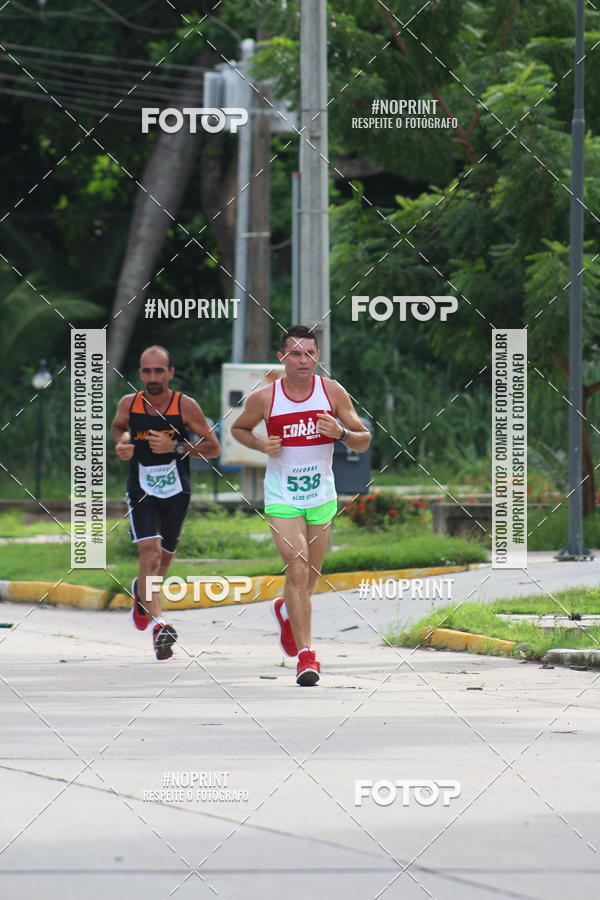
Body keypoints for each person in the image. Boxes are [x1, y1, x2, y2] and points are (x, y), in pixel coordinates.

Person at [231, 325, 371, 685]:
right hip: (282, 497)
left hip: (321, 497)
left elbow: (363, 441)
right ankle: (307, 657)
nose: (303, 360)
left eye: (309, 353)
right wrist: (262, 445)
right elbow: (239, 429)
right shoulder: (265, 398)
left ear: (317, 356)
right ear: (282, 358)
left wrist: (339, 433)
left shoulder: (332, 393)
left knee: (309, 579)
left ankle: (285, 610)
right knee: (296, 568)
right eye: (295, 353)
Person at [111, 345, 220, 659]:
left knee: (162, 564)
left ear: (171, 373)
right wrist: (121, 443)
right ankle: (160, 625)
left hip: (176, 492)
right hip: (141, 489)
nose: (153, 377)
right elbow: (118, 428)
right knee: (150, 553)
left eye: (159, 370)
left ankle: (141, 593)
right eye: (147, 371)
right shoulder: (129, 404)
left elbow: (213, 447)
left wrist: (177, 446)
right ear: (141, 373)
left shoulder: (185, 407)